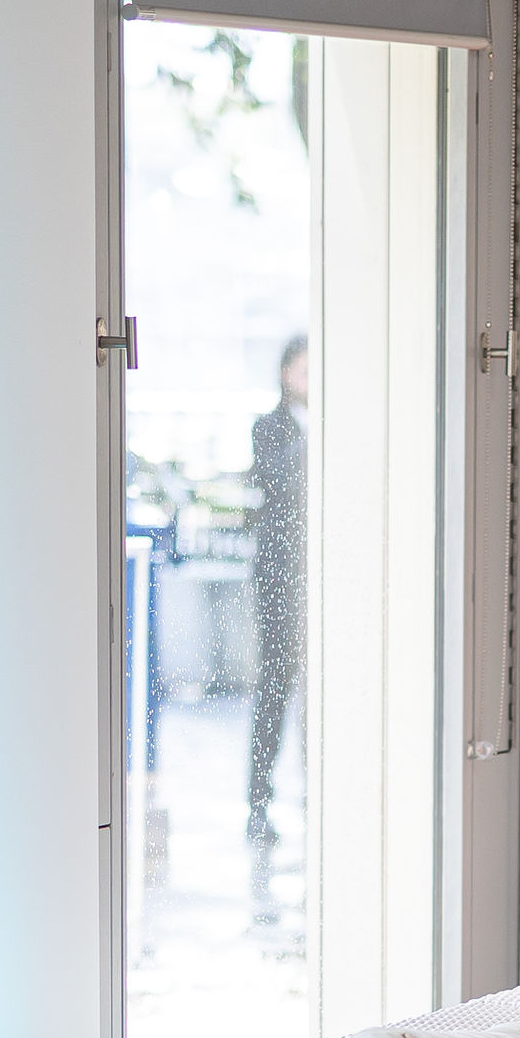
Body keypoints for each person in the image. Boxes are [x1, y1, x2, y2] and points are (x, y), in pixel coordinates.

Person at [245, 334, 307, 865]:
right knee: (273, 690)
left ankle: (319, 797)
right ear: (286, 373)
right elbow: (278, 482)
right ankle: (258, 802)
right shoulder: (269, 427)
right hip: (278, 582)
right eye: (303, 371)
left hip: (318, 582)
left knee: (320, 697)